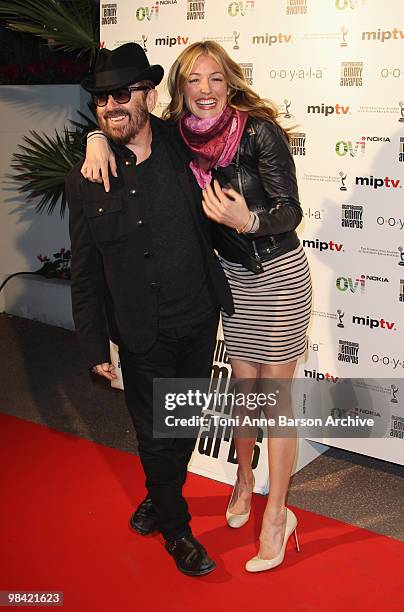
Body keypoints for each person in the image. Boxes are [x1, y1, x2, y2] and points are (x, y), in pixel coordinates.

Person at [82, 41, 312, 573]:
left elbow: (290, 210)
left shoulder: (255, 131)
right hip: (230, 282)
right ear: (179, 91)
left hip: (274, 276)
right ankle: (245, 480)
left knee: (273, 401)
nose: (205, 91)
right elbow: (124, 123)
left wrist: (247, 222)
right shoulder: (180, 137)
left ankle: (277, 515)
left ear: (229, 84)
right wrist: (94, 136)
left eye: (215, 79)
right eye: (195, 81)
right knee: (242, 397)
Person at [65, 42, 234, 577]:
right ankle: (177, 526)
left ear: (149, 95)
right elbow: (86, 272)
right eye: (100, 101)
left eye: (122, 94)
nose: (111, 106)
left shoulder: (185, 145)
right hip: (140, 331)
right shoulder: (85, 179)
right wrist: (93, 345)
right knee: (155, 432)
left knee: (182, 423)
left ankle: (158, 496)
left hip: (199, 317)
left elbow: (229, 120)